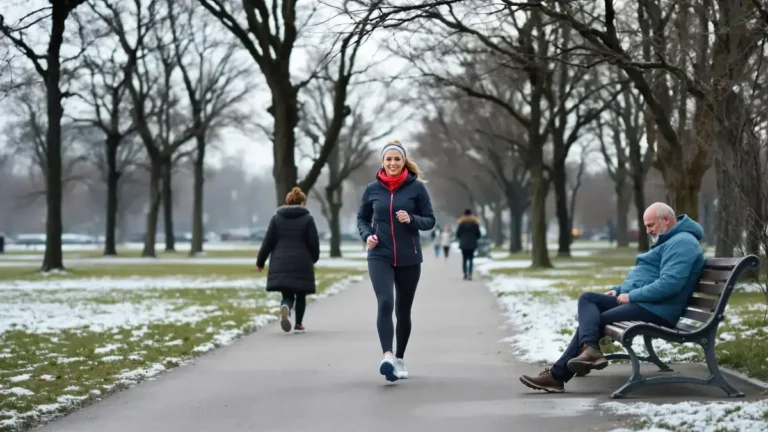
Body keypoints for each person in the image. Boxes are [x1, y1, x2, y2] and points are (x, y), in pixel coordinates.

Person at [519, 202, 705, 393]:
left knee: (596, 320)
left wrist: (631, 296)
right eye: (647, 226)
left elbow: (669, 285)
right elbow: (649, 276)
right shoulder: (670, 239)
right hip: (647, 302)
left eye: (651, 225)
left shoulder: (683, 242)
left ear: (666, 219)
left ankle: (558, 375)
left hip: (658, 309)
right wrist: (618, 290)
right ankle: (589, 349)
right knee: (588, 298)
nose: (648, 231)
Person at [357, 139, 436, 382]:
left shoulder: (417, 189)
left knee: (403, 310)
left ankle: (400, 358)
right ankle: (387, 356)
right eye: (388, 159)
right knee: (385, 303)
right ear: (383, 162)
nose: (392, 163)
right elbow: (362, 219)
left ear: (404, 162)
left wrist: (412, 219)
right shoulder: (372, 189)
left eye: (397, 159)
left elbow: (430, 220)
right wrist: (367, 235)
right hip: (379, 254)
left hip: (409, 257)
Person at [256, 187, 321, 334]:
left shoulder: (277, 218)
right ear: (302, 202)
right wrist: (314, 258)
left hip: (281, 261)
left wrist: (260, 262)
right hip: (302, 262)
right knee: (301, 294)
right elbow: (314, 242)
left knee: (287, 293)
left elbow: (268, 242)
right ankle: (298, 324)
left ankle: (285, 306)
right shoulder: (308, 219)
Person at [455, 208, 481, 280]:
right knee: (471, 259)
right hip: (472, 244)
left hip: (463, 244)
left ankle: (465, 274)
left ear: (464, 214)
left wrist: (462, 238)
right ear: (471, 214)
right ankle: (470, 274)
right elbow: (478, 234)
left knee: (464, 259)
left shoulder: (461, 223)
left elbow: (457, 234)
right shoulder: (475, 223)